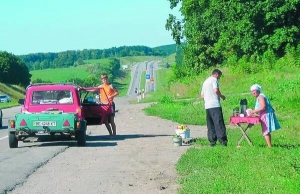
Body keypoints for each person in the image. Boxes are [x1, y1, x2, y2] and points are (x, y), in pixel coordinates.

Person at [200, 69, 227, 147]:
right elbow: (216, 90)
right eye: (219, 76)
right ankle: (222, 141)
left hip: (207, 106)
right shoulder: (214, 80)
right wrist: (221, 96)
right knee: (219, 123)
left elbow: (202, 95)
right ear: (216, 74)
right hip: (215, 104)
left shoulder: (205, 82)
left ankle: (212, 141)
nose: (219, 78)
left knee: (210, 124)